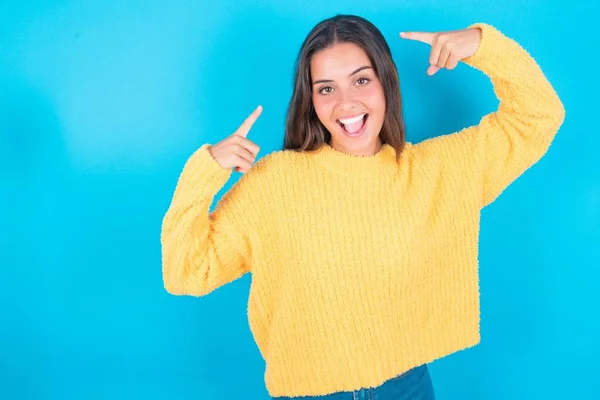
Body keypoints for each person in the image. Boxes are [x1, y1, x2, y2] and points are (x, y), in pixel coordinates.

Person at [160, 14, 565, 400]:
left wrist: (482, 45)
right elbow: (187, 273)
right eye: (326, 88)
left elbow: (538, 115)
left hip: (408, 388)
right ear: (311, 101)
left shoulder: (438, 171)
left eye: (361, 80)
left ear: (386, 83)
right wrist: (206, 169)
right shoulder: (274, 183)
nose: (346, 103)